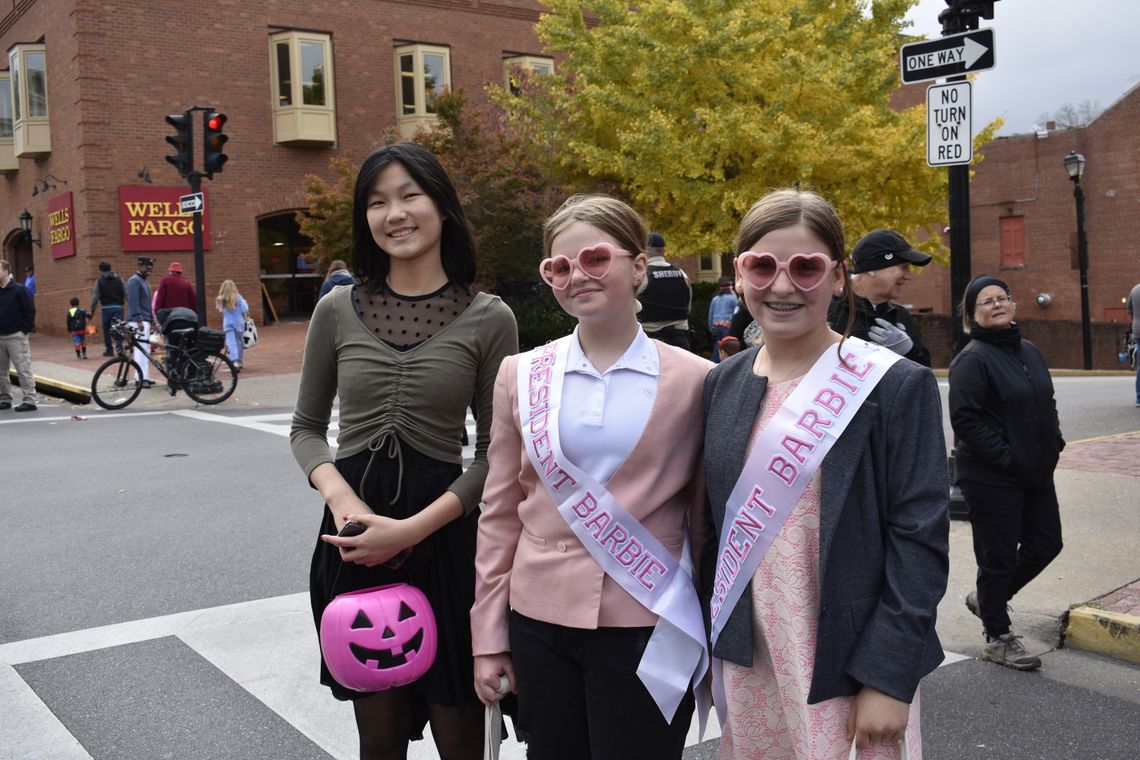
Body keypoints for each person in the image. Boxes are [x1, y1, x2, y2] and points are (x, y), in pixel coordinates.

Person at [701, 190, 949, 759]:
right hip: (753, 658)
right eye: (762, 266)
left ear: (838, 277)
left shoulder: (894, 385)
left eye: (806, 267)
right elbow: (714, 529)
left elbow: (920, 538)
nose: (782, 286)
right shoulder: (723, 383)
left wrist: (888, 676)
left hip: (849, 662)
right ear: (739, 275)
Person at [290, 142, 518, 760]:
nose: (395, 212)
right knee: (380, 737)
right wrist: (343, 503)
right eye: (377, 201)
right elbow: (306, 428)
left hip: (445, 538)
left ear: (442, 205)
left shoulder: (489, 318)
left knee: (460, 732)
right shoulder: (337, 309)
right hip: (353, 538)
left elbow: (497, 455)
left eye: (410, 194)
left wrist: (411, 529)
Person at [472, 194, 712, 759]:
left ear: (638, 267)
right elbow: (499, 510)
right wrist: (488, 637)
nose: (577, 275)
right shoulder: (520, 374)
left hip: (649, 618)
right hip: (538, 618)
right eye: (558, 266)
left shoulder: (699, 379)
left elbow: (705, 518)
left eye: (596, 258)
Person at [949, 275, 1064, 672]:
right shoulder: (972, 359)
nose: (997, 304)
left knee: (1047, 544)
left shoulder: (1029, 350)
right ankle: (997, 637)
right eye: (986, 301)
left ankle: (988, 600)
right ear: (972, 314)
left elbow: (1045, 402)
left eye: (1002, 298)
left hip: (1035, 470)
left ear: (1013, 305)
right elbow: (965, 420)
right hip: (991, 476)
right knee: (996, 558)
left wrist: (1056, 442)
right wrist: (1006, 457)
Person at [827, 229, 932, 367]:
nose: (908, 276)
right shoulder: (830, 309)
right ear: (872, 268)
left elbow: (924, 374)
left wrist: (910, 351)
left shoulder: (900, 315)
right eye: (903, 267)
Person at [637, 232, 693, 349]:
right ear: (663, 251)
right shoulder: (682, 274)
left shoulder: (642, 276)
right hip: (680, 341)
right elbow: (688, 309)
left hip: (651, 341)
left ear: (646, 250)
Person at [0, 259, 38, 412]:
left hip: (16, 336)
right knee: (1, 371)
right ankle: (5, 398)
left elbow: (30, 310)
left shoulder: (19, 289)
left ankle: (30, 400)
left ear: (5, 271)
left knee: (23, 368)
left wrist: (24, 331)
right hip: (0, 336)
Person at [126, 257, 156, 388]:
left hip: (145, 320)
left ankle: (145, 376)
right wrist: (138, 320)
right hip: (138, 322)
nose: (150, 271)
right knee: (140, 351)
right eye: (147, 268)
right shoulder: (134, 281)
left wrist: (152, 320)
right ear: (140, 266)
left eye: (151, 268)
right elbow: (133, 302)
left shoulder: (144, 282)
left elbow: (148, 305)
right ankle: (140, 378)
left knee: (146, 350)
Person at [90, 261, 128, 356]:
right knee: (119, 328)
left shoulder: (99, 281)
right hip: (118, 307)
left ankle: (109, 350)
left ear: (101, 270)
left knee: (106, 330)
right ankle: (119, 349)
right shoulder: (120, 279)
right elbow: (126, 294)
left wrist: (92, 310)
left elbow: (95, 297)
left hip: (106, 308)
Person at [216, 280, 249, 371]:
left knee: (231, 342)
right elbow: (245, 309)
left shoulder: (221, 299)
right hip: (238, 323)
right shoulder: (238, 297)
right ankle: (239, 360)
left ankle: (234, 361)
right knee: (239, 342)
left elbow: (220, 310)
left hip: (227, 323)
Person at [707, 276, 738, 362]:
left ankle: (714, 362)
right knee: (727, 346)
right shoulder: (733, 299)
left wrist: (711, 327)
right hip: (727, 326)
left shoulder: (715, 299)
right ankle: (726, 363)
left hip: (716, 325)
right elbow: (736, 313)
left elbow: (711, 314)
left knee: (718, 344)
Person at [1128, 281, 1140, 407]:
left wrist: (1134, 321)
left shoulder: (1135, 289)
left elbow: (1129, 309)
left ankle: (1139, 397)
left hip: (1137, 330)